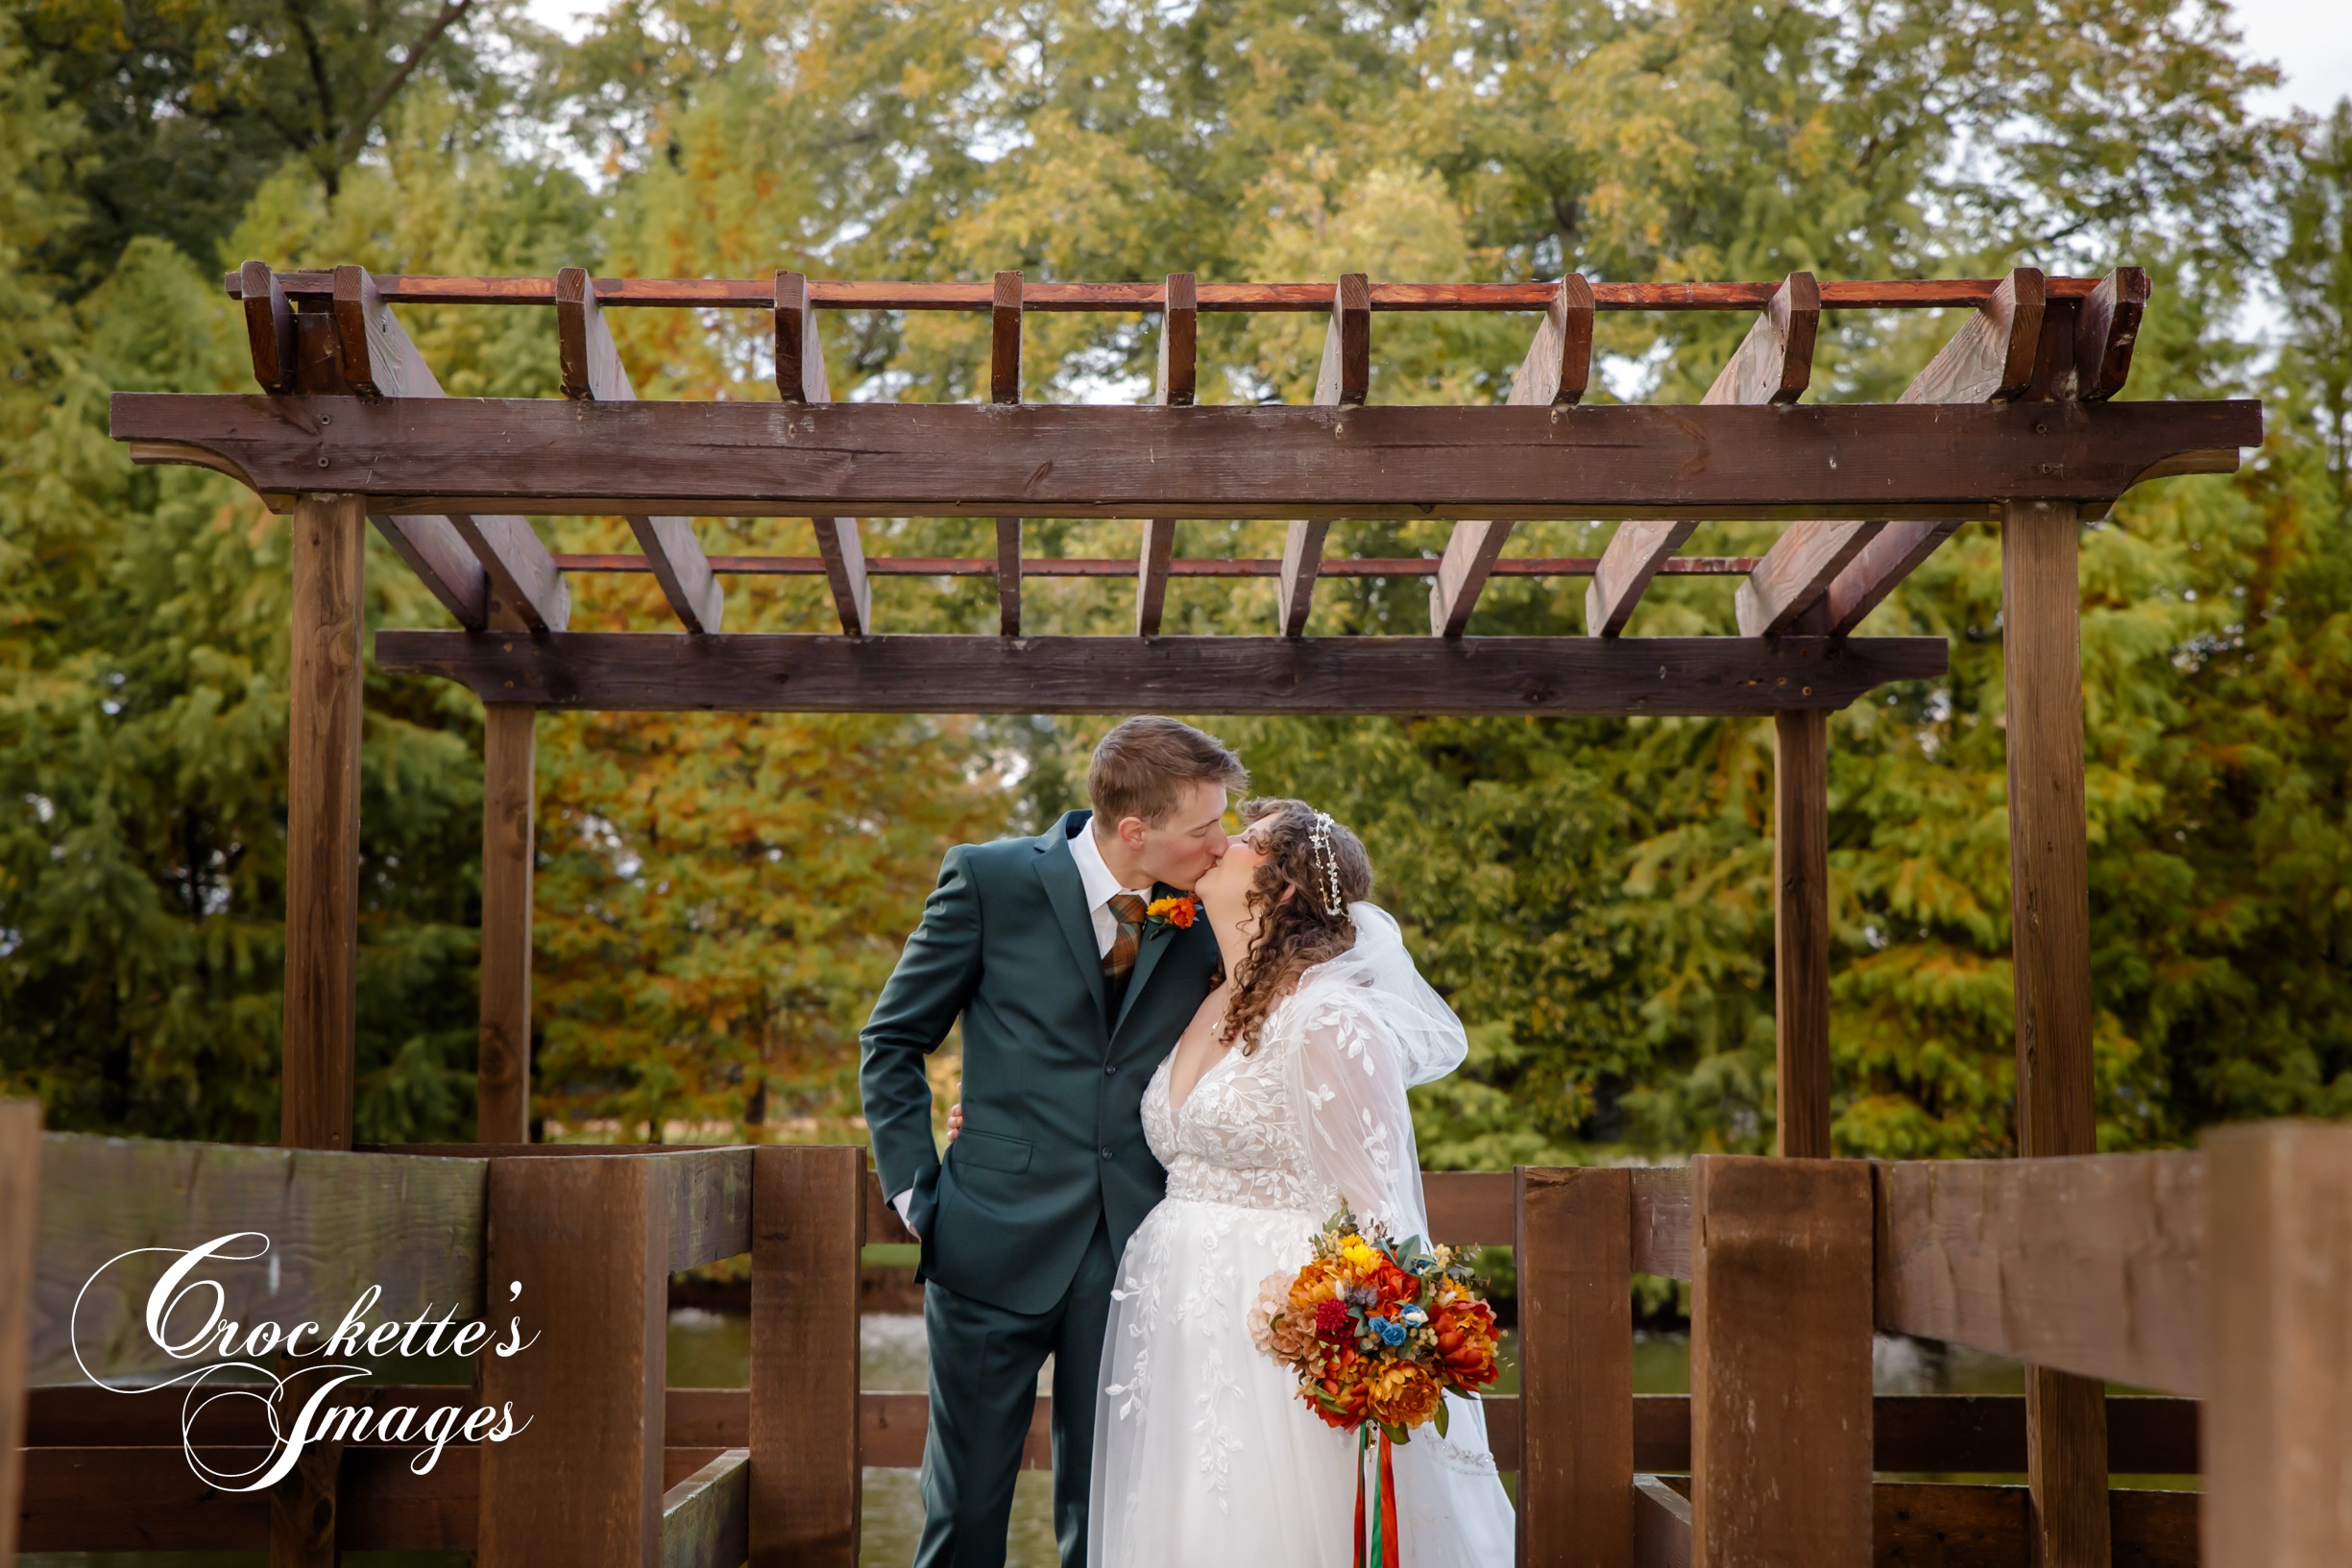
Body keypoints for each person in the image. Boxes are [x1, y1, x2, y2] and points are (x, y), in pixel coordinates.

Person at [948, 799, 1516, 1567]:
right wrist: (997, 1113)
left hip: (1271, 1319)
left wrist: (1359, 1342)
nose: (1218, 845)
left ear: (1281, 889)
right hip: (1170, 1313)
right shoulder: (1210, 993)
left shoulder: (1328, 1016)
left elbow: (1379, 1207)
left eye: (1243, 841)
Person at [861, 716, 1249, 1568]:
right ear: (1135, 830)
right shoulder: (989, 879)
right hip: (986, 1236)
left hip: (1135, 1250)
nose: (1223, 844)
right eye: (1205, 826)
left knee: (1108, 1515)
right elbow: (891, 1040)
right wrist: (915, 1192)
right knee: (962, 1510)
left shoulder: (1207, 908)